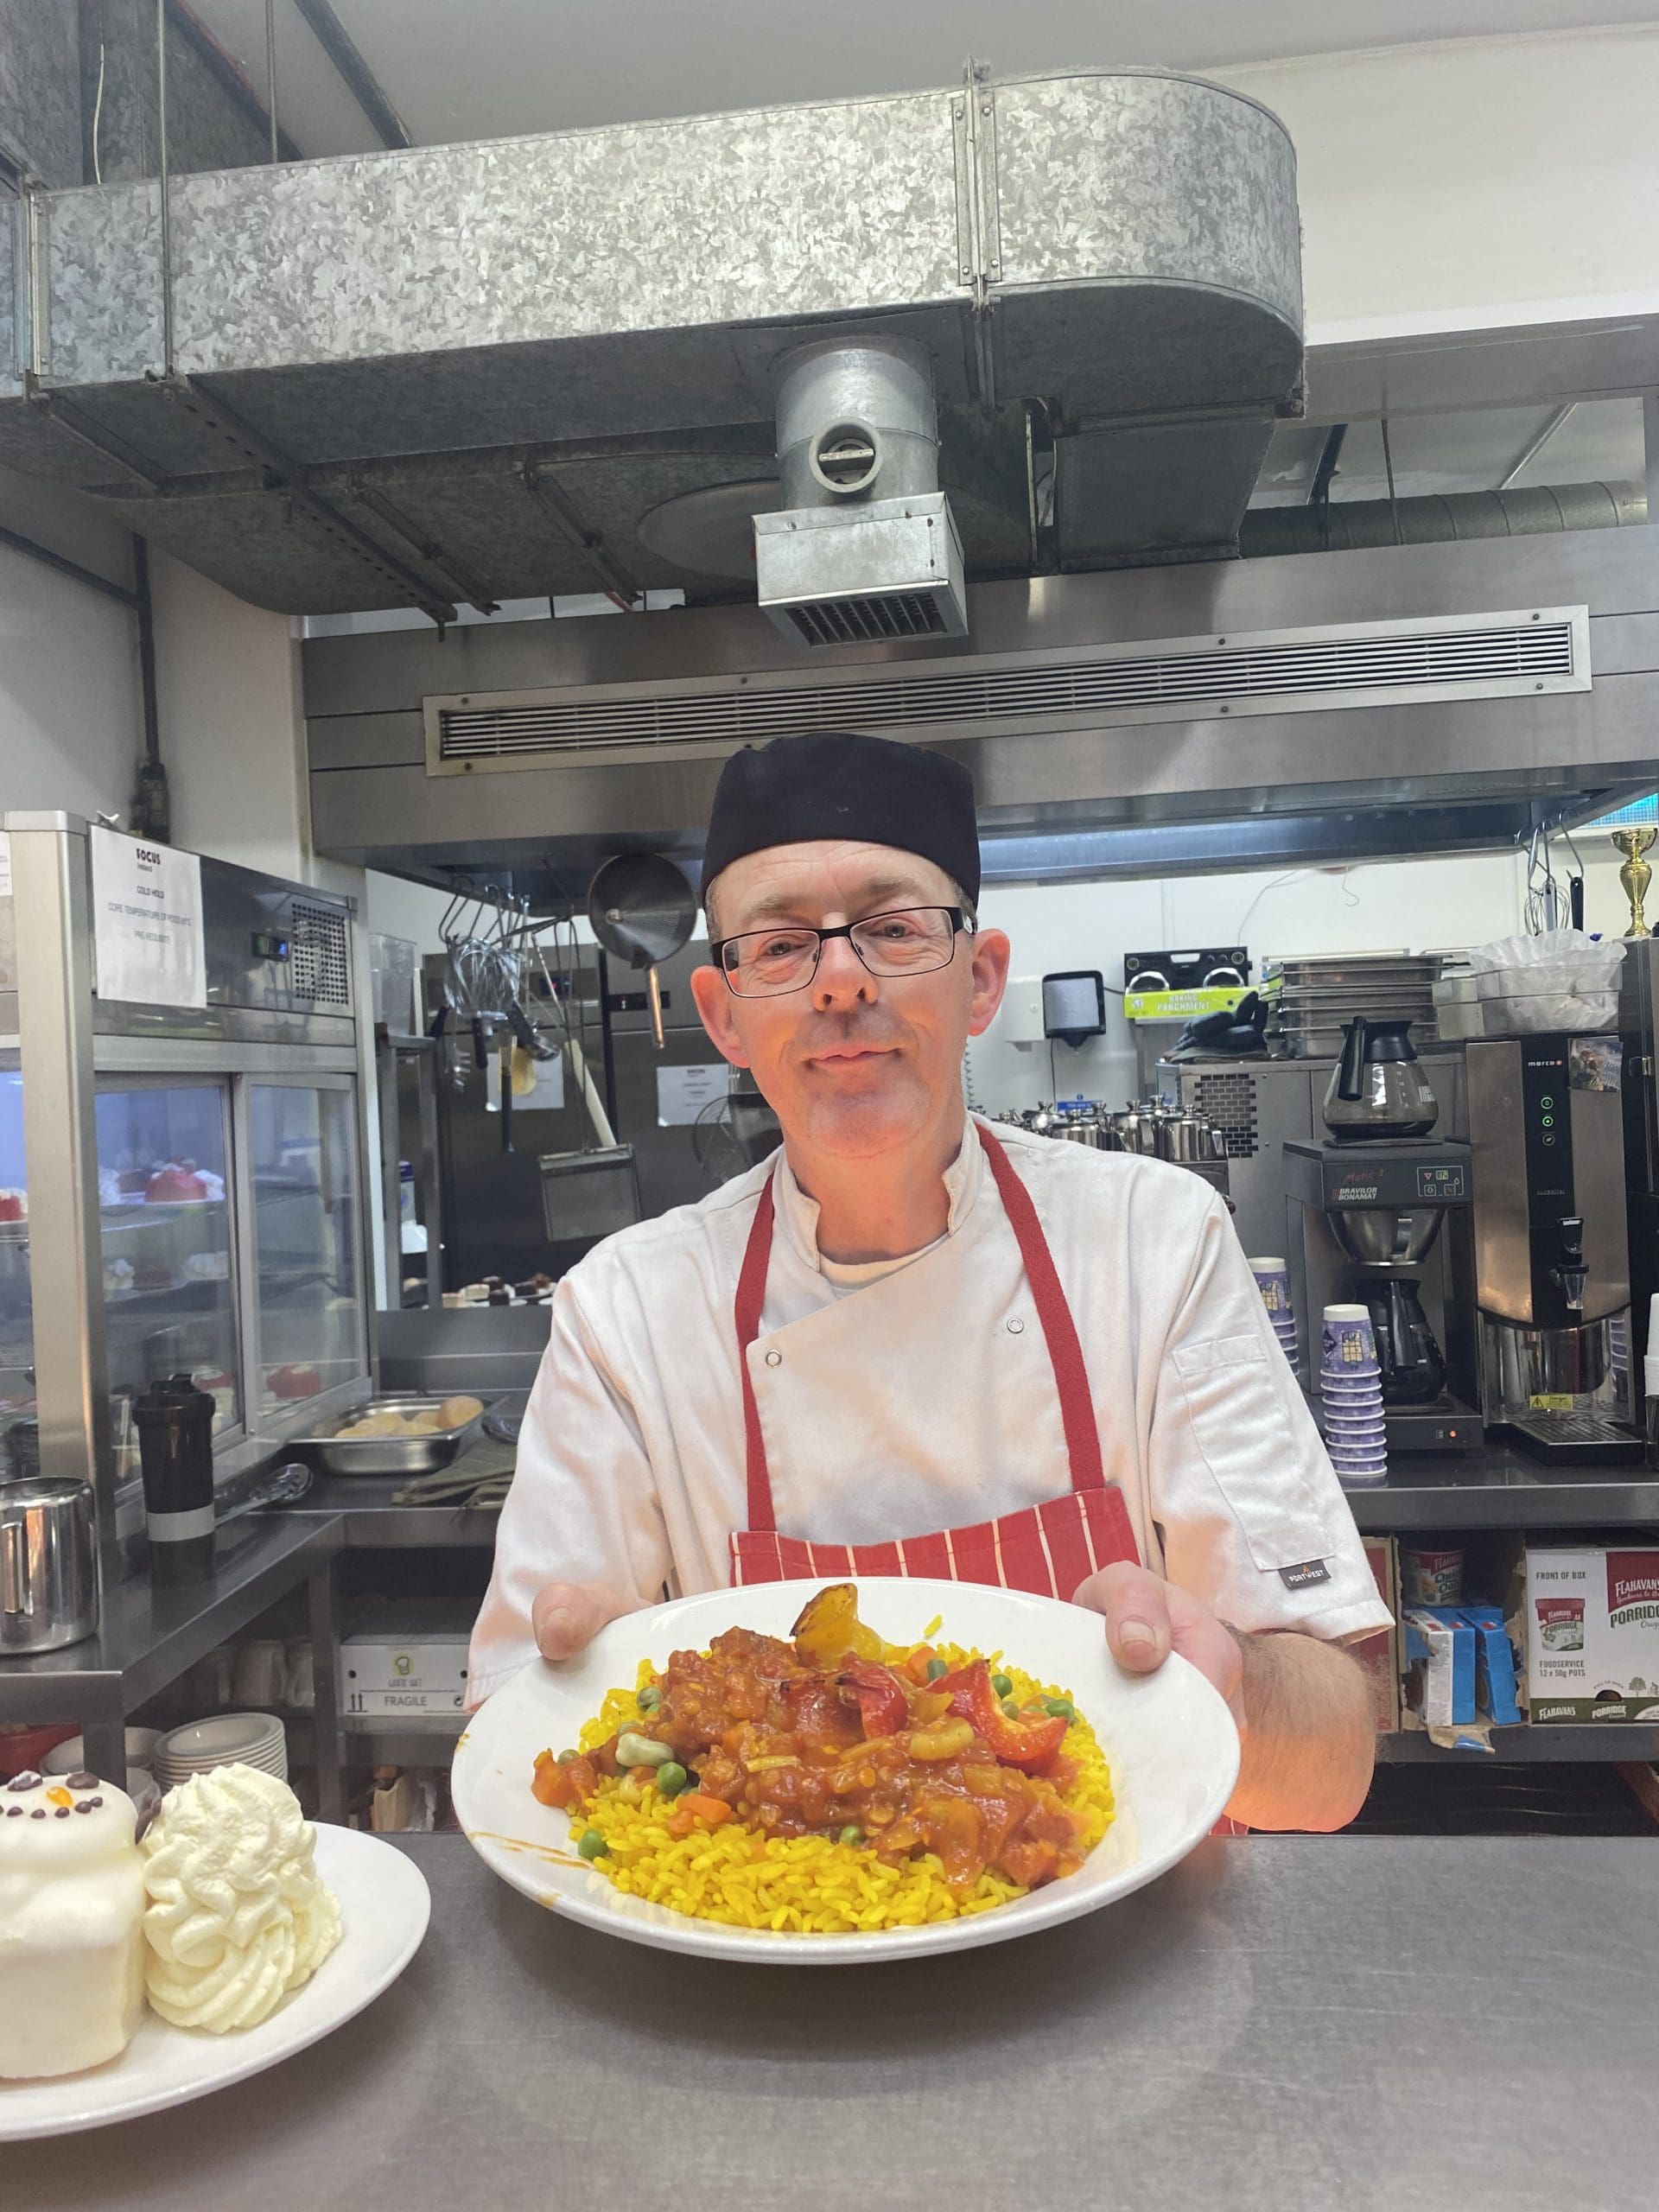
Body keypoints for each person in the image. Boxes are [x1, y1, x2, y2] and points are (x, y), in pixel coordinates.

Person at [470, 730, 1391, 1830]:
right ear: (724, 1015)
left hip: (1131, 1962)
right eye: (778, 946)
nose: (842, 979)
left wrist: (1231, 1674)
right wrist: (601, 1720)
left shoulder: (1152, 1241)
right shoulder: (628, 1311)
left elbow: (1333, 1769)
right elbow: (502, 1760)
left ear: (981, 978)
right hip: (770, 1974)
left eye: (894, 929)